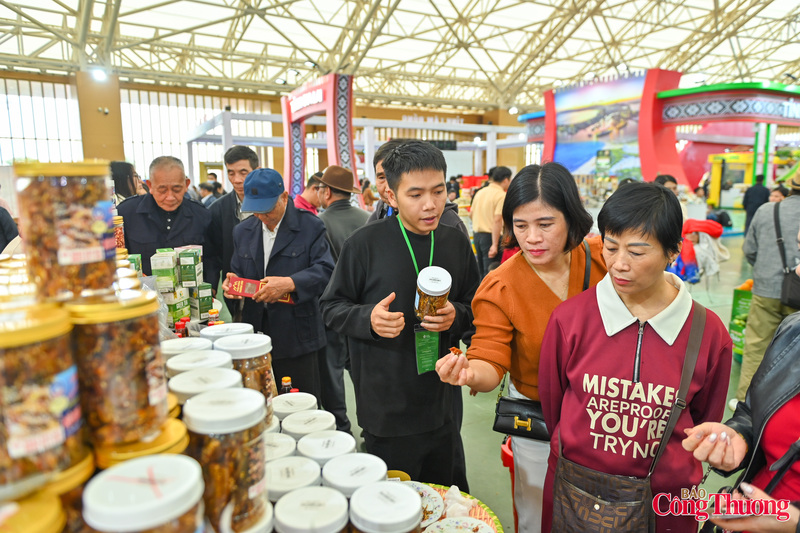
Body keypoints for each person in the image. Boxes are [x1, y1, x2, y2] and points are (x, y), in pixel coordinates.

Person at [538, 182, 732, 532]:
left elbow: (705, 420)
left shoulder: (708, 333)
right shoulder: (571, 319)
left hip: (666, 502)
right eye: (610, 248)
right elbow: (554, 406)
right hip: (574, 490)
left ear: (673, 251)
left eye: (638, 252)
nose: (619, 264)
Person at [436, 162, 606, 533]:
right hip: (539, 417)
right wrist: (469, 370)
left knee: (597, 511)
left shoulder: (602, 259)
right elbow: (489, 355)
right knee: (535, 510)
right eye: (520, 224)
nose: (532, 238)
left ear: (571, 217)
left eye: (545, 224)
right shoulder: (501, 285)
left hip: (605, 417)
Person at [321, 141, 479, 488]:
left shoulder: (454, 242)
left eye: (439, 191)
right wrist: (369, 320)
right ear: (390, 196)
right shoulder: (364, 244)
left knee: (446, 498)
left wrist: (457, 315)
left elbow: (475, 307)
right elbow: (331, 308)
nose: (430, 204)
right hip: (386, 405)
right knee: (393, 505)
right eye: (415, 194)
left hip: (441, 402)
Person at [683, 258, 800, 533]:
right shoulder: (793, 332)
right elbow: (753, 412)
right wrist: (740, 439)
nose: (797, 270)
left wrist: (792, 523)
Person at [222, 168, 334, 400]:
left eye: (267, 210)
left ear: (284, 197)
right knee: (257, 400)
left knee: (299, 400)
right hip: (255, 335)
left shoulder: (311, 227)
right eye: (255, 211)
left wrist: (290, 283)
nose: (262, 217)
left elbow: (326, 271)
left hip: (297, 335)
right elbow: (237, 274)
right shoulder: (242, 232)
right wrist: (232, 288)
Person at [734, 175, 800, 408]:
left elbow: (749, 250)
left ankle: (744, 406)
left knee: (756, 347)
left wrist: (766, 271)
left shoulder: (766, 211)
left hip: (766, 291)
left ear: (790, 187)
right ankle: (784, 410)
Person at [316, 165, 369, 433]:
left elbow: (323, 270)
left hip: (336, 308)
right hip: (367, 310)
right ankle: (371, 426)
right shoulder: (368, 218)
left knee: (333, 370)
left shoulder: (320, 223)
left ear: (326, 192)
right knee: (364, 371)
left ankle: (342, 428)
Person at [118, 156, 212, 276]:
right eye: (162, 190)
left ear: (186, 184)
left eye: (177, 189)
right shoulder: (126, 213)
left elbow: (211, 258)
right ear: (150, 185)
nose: (170, 197)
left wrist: (210, 288)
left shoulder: (201, 215)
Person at [367, 141, 468, 238]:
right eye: (382, 178)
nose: (388, 186)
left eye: (438, 192)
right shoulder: (379, 215)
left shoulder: (450, 225)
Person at [205, 146, 259, 317]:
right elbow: (213, 254)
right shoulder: (217, 210)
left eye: (244, 172)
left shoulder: (275, 205)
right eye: (231, 173)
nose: (236, 180)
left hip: (272, 288)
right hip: (237, 293)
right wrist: (211, 287)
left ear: (256, 171)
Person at [470, 166, 512, 278]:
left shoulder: (480, 192)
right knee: (491, 274)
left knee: (480, 272)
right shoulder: (501, 195)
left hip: (477, 236)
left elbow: (471, 214)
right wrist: (494, 244)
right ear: (505, 180)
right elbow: (497, 220)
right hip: (491, 238)